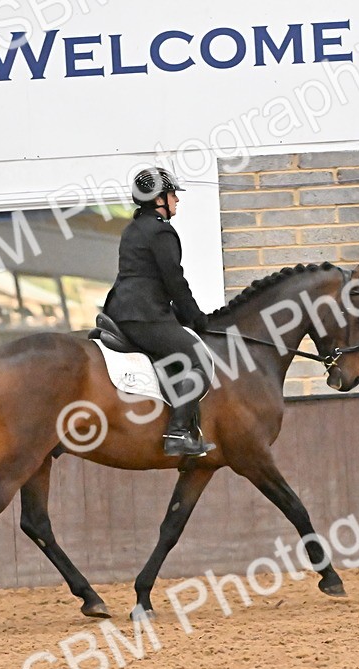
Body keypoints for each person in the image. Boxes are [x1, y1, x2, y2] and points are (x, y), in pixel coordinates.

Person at [103, 168, 215, 457]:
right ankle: (177, 433)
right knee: (199, 360)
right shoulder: (161, 230)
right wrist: (195, 317)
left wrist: (177, 313)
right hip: (145, 315)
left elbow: (146, 277)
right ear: (158, 198)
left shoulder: (133, 228)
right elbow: (173, 279)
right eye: (172, 194)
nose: (177, 199)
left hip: (123, 310)